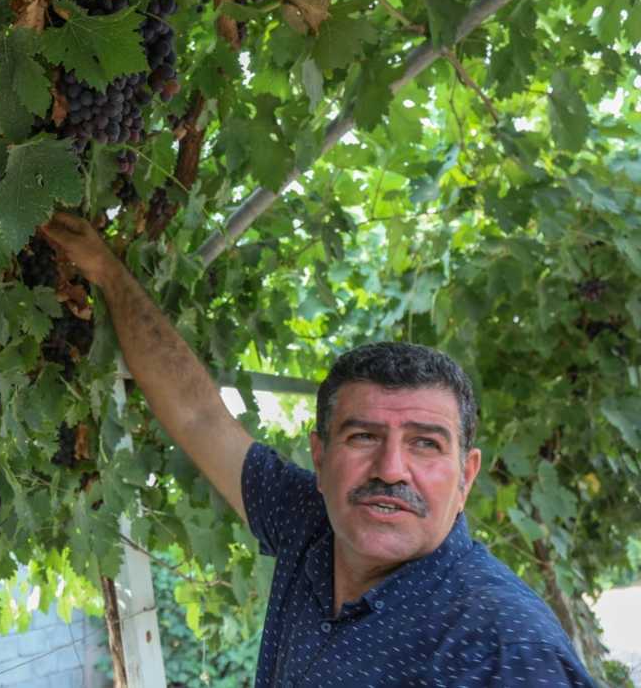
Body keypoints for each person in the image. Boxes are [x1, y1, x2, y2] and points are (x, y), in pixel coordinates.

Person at [40, 211, 595, 687]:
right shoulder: (310, 522)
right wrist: (106, 272)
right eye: (363, 437)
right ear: (321, 457)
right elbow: (198, 415)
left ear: (466, 475)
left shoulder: (504, 643)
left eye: (425, 444)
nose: (390, 469)